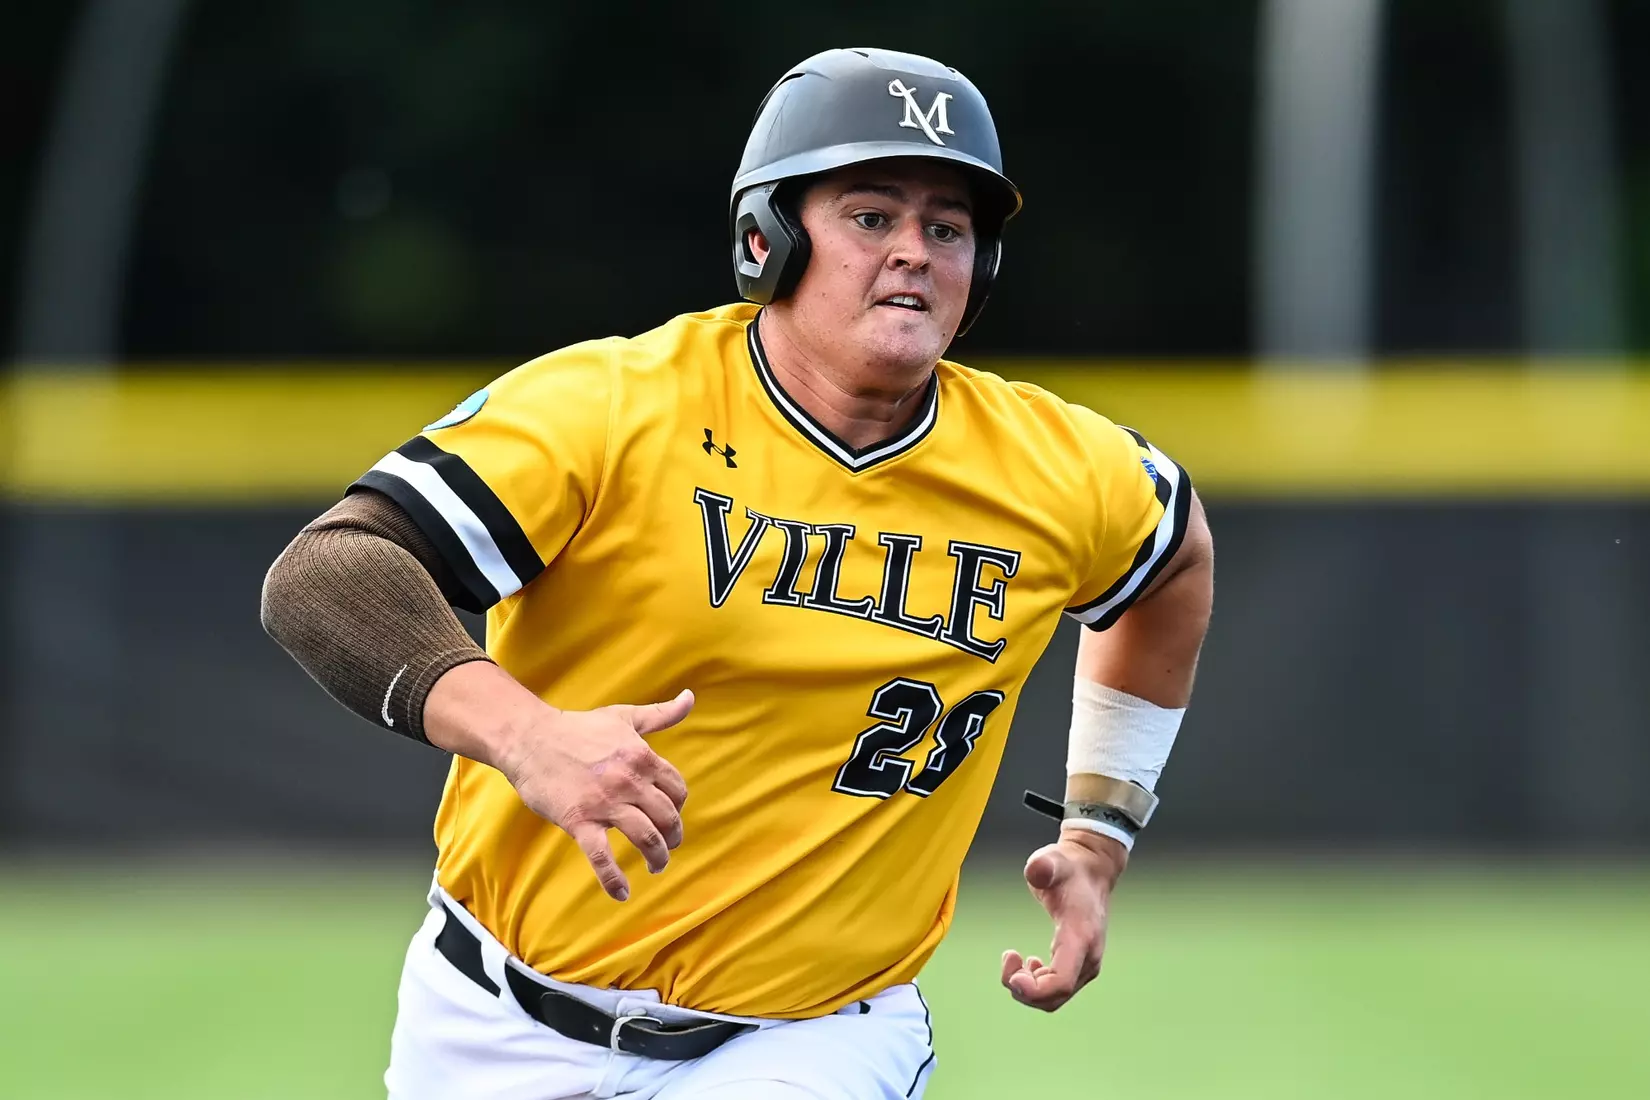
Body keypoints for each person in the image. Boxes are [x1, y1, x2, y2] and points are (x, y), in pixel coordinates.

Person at [261, 46, 1213, 1100]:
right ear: (767, 239)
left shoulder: (1056, 468)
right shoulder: (616, 407)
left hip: (812, 1038)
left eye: (948, 227)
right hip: (496, 1017)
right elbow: (328, 572)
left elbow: (1172, 558)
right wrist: (525, 732)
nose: (914, 251)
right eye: (870, 215)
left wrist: (1101, 830)